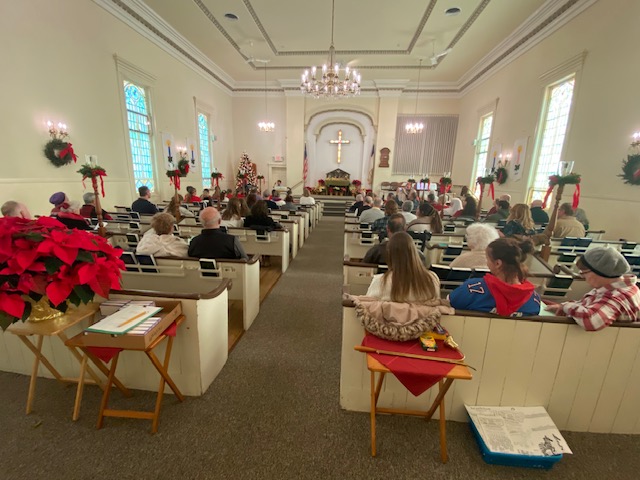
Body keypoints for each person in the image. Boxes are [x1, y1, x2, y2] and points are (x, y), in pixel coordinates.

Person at [545, 248, 640, 331]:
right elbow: (589, 304)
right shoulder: (622, 286)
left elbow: (590, 320)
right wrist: (562, 306)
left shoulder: (617, 296)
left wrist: (566, 307)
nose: (583, 276)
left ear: (599, 272)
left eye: (584, 273)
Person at [448, 238, 541, 316]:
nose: (487, 263)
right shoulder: (534, 300)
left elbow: (448, 305)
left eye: (487, 259)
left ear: (497, 263)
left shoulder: (472, 289)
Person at [365, 232, 440, 302]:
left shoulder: (380, 282)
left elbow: (368, 307)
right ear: (414, 252)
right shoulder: (432, 279)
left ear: (389, 256)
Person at [363, 213, 428, 267]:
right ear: (405, 229)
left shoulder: (375, 251)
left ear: (387, 229)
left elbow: (364, 268)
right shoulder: (417, 255)